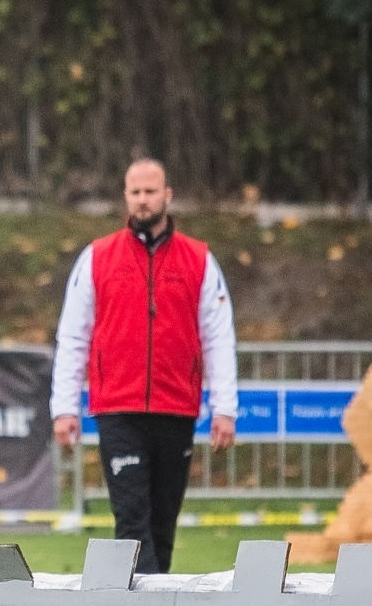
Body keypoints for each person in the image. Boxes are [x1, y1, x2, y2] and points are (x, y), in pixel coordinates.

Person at [50, 159, 239, 574]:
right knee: (132, 520)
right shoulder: (97, 257)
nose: (142, 200)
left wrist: (224, 407)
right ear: (125, 196)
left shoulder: (199, 260)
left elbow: (218, 336)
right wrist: (64, 407)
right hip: (118, 408)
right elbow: (73, 335)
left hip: (176, 408)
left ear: (167, 195)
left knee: (162, 523)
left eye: (150, 191)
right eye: (135, 192)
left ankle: (154, 601)